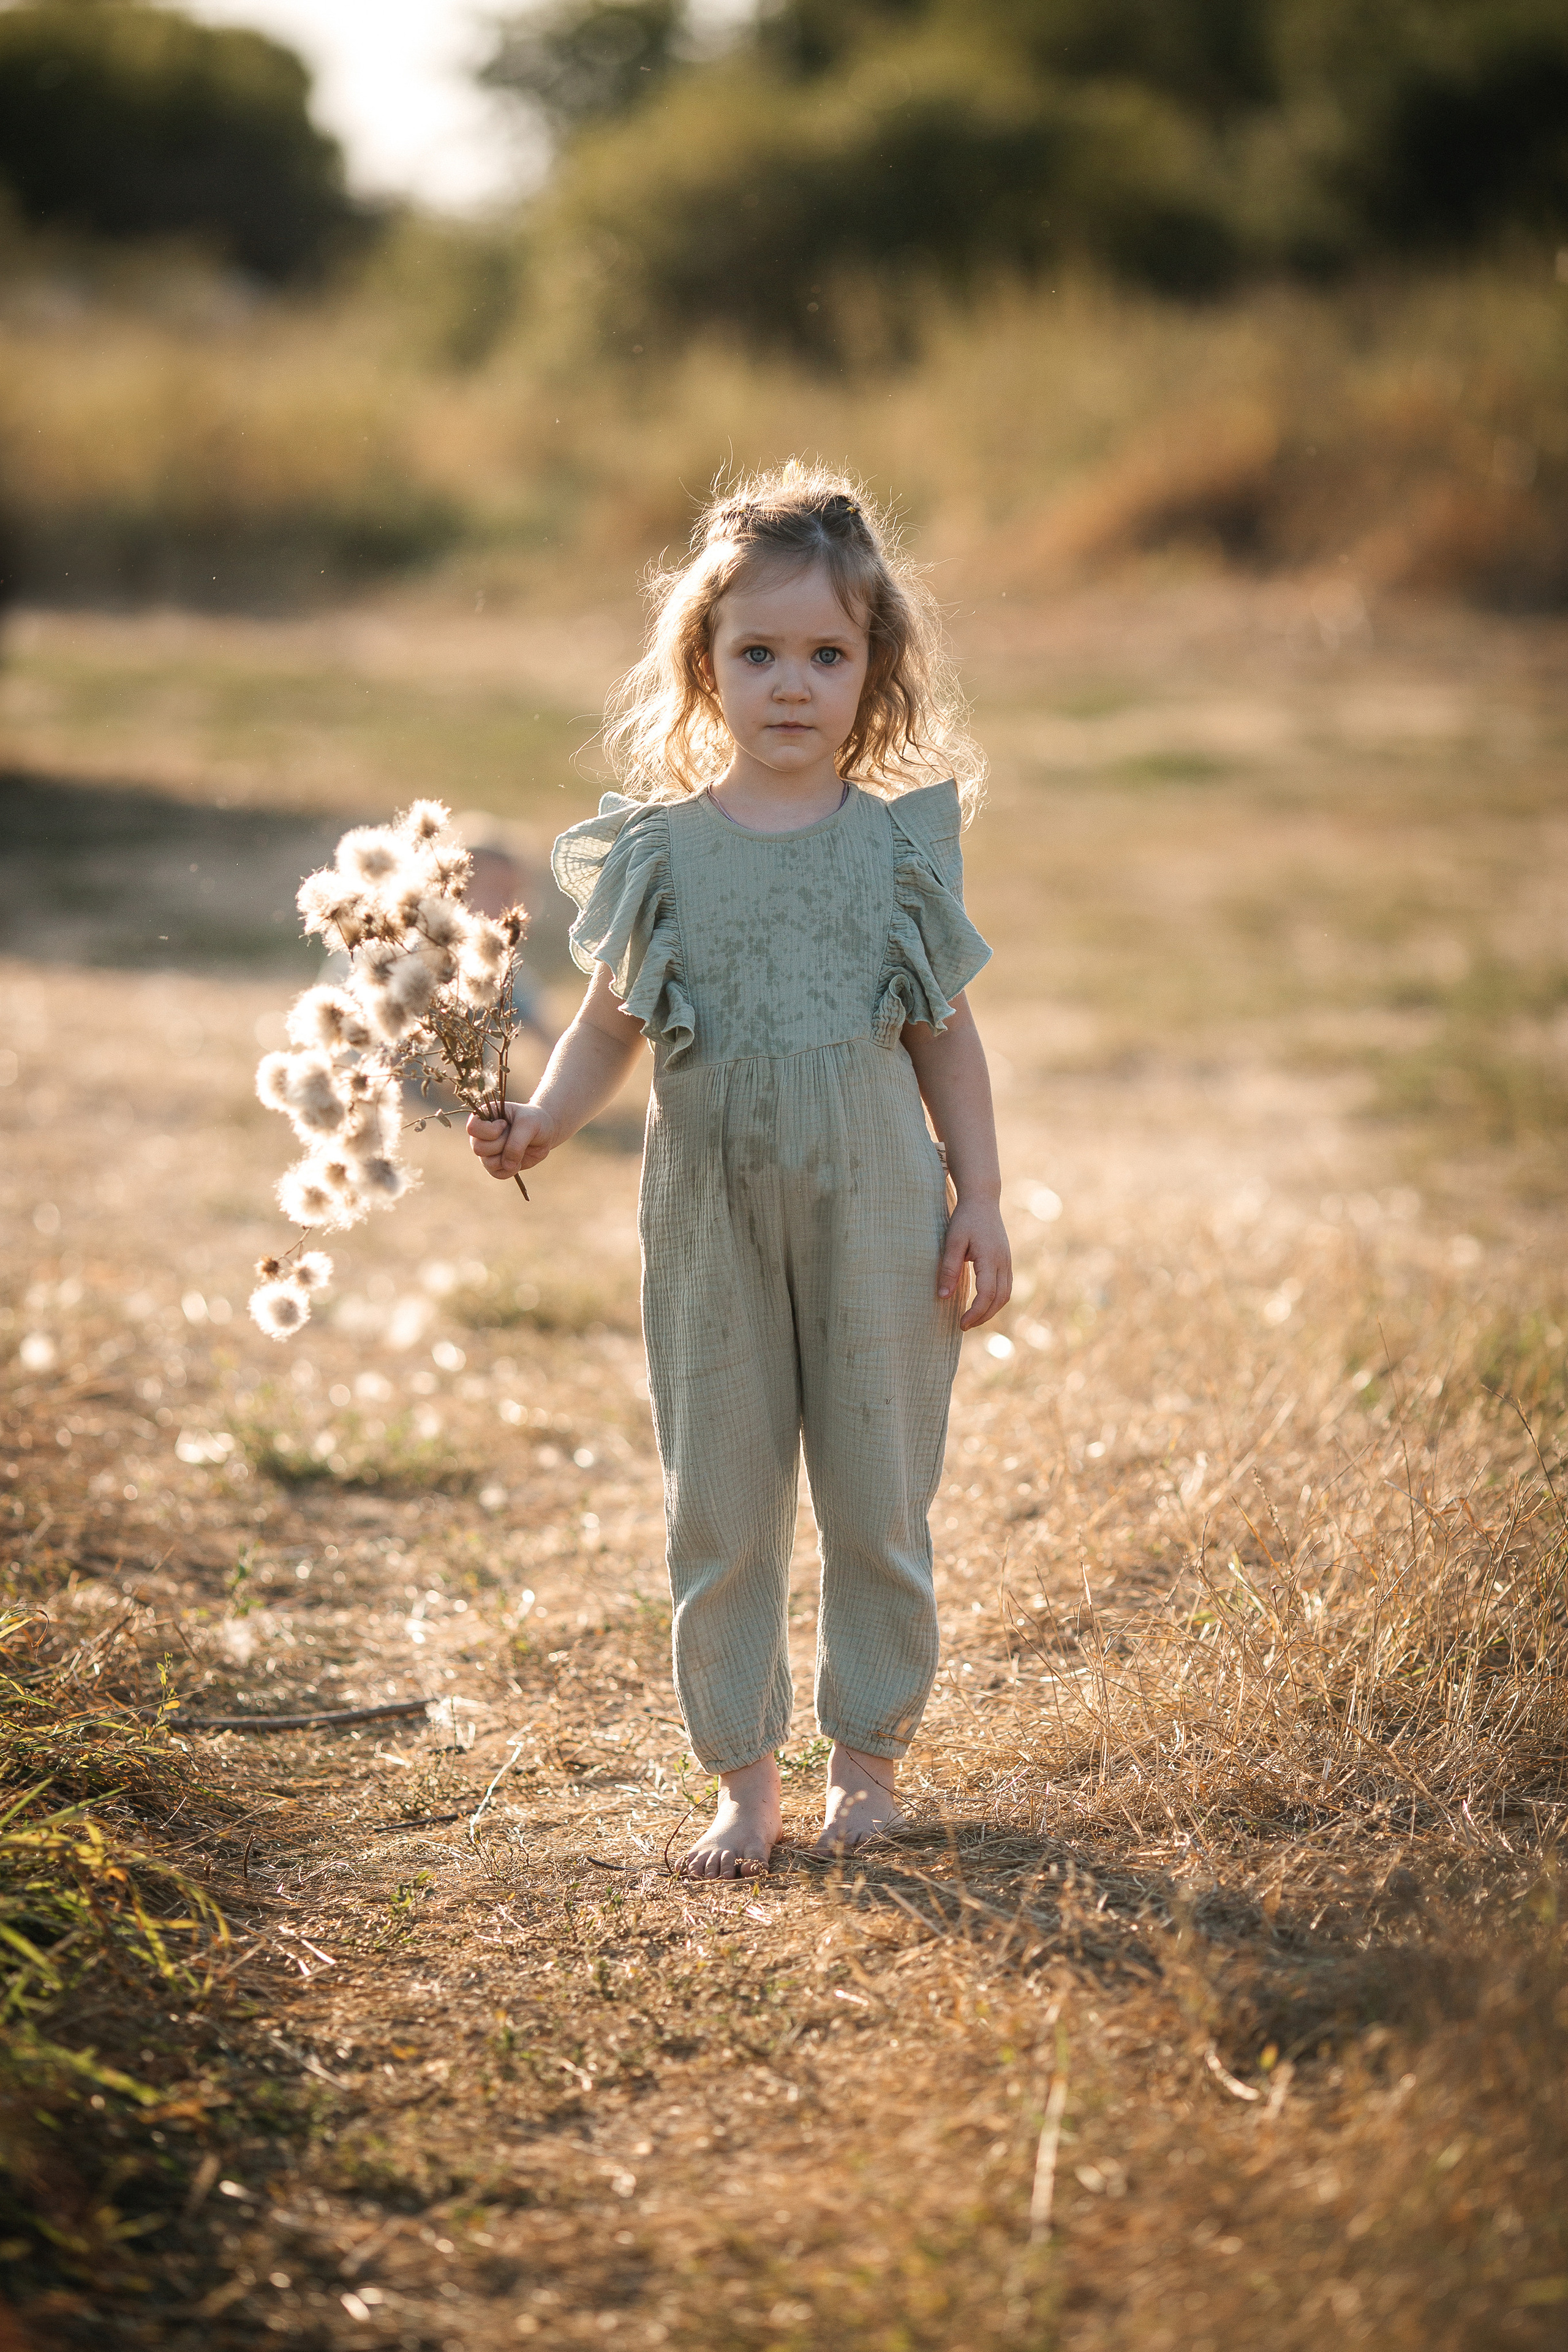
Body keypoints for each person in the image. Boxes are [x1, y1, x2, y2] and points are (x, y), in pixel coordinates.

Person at [467, 464, 1011, 1879]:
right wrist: (541, 1120)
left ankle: (869, 1766)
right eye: (756, 652)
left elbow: (944, 1037)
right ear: (703, 667)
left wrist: (982, 1195)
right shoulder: (660, 858)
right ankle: (743, 1785)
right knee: (718, 1499)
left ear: (871, 670)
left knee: (877, 1490)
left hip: (879, 1208)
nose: (790, 683)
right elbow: (603, 1029)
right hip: (707, 1213)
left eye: (825, 655)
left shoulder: (894, 852)